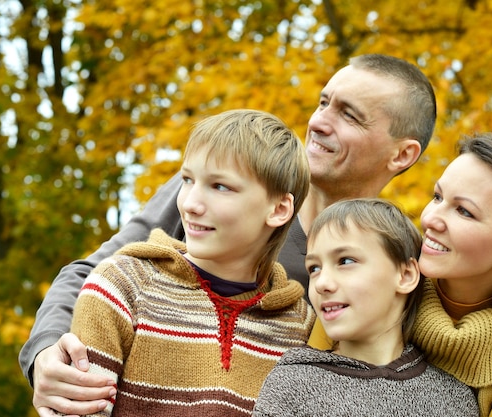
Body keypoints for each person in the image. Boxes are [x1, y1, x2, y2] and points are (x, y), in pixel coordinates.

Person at [19, 53, 492, 416]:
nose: (320, 121)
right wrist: (47, 356)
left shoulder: (396, 255)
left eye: (349, 114)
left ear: (403, 155)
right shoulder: (229, 189)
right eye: (323, 101)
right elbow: (92, 274)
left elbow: (435, 357)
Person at [64, 109, 315, 416]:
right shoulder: (121, 287)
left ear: (278, 209)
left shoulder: (301, 329)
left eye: (220, 186)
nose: (191, 204)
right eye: (187, 179)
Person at [308, 131, 492, 417]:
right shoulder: (376, 279)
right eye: (437, 197)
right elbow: (308, 385)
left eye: (464, 211)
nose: (430, 218)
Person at [252, 198, 479, 417]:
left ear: (405, 275)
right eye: (314, 268)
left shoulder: (453, 398)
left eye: (346, 261)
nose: (321, 284)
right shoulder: (292, 385)